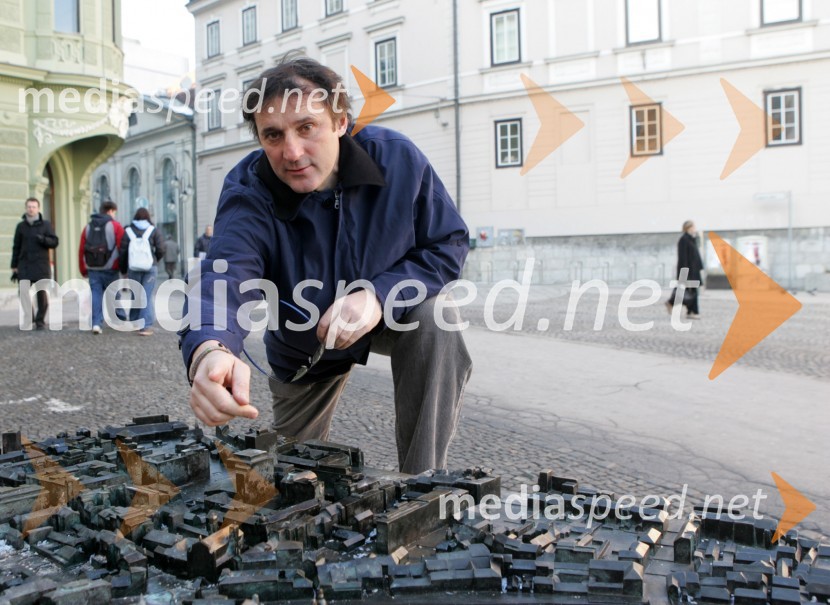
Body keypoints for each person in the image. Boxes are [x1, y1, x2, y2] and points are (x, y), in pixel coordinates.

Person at [180, 56, 472, 475]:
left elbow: (447, 242)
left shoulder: (399, 160)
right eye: (273, 135)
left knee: (438, 315)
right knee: (291, 472)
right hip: (304, 346)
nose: (292, 152)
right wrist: (210, 347)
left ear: (340, 121)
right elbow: (224, 280)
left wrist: (378, 295)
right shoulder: (249, 190)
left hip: (392, 314)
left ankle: (421, 484)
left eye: (306, 127)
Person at [11, 198, 59, 330]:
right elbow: (16, 246)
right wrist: (14, 265)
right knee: (23, 292)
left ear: (38, 208)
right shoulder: (21, 226)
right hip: (24, 264)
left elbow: (54, 242)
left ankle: (40, 320)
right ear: (26, 208)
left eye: (33, 207)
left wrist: (43, 239)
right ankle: (29, 317)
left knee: (41, 294)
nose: (31, 209)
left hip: (41, 265)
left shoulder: (45, 225)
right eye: (29, 207)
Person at [79, 200, 124, 334]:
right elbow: (122, 247)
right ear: (110, 211)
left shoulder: (87, 227)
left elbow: (81, 249)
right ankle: (119, 318)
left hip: (93, 268)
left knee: (96, 295)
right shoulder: (115, 226)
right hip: (111, 266)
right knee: (114, 293)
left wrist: (83, 269)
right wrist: (123, 267)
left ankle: (96, 323)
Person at [119, 207, 164, 336]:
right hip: (150, 268)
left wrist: (123, 269)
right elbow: (161, 248)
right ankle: (145, 326)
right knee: (147, 295)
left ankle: (134, 321)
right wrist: (155, 259)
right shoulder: (153, 230)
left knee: (135, 293)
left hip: (133, 268)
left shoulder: (128, 231)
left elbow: (122, 252)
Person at [666, 220, 704, 319]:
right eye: (693, 227)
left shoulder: (692, 239)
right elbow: (683, 258)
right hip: (688, 271)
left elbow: (696, 255)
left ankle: (672, 303)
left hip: (694, 270)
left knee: (689, 291)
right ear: (688, 228)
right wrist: (684, 273)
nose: (694, 228)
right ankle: (692, 312)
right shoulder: (683, 240)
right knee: (691, 291)